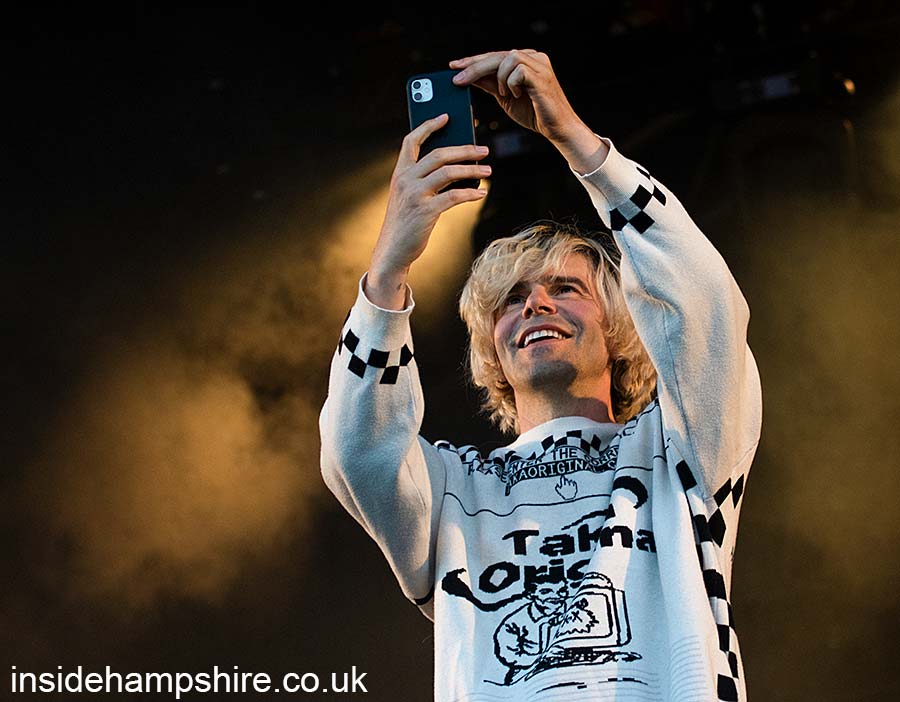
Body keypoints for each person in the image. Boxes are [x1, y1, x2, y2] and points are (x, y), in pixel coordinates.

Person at [319, 49, 762, 701]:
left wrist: (579, 144)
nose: (535, 305)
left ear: (618, 327)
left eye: (565, 288)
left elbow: (707, 306)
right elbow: (356, 451)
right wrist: (387, 270)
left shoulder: (678, 451)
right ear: (492, 353)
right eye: (511, 300)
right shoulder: (453, 494)